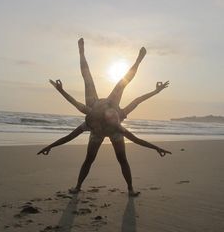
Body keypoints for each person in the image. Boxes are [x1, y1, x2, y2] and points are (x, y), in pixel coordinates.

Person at [38, 38, 172, 196]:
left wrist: (61, 90)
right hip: (102, 125)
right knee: (89, 159)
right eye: (114, 116)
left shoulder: (110, 110)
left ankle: (130, 189)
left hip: (102, 111)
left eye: (115, 116)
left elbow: (135, 101)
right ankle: (78, 187)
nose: (116, 116)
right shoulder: (94, 123)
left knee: (122, 159)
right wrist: (50, 147)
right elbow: (69, 137)